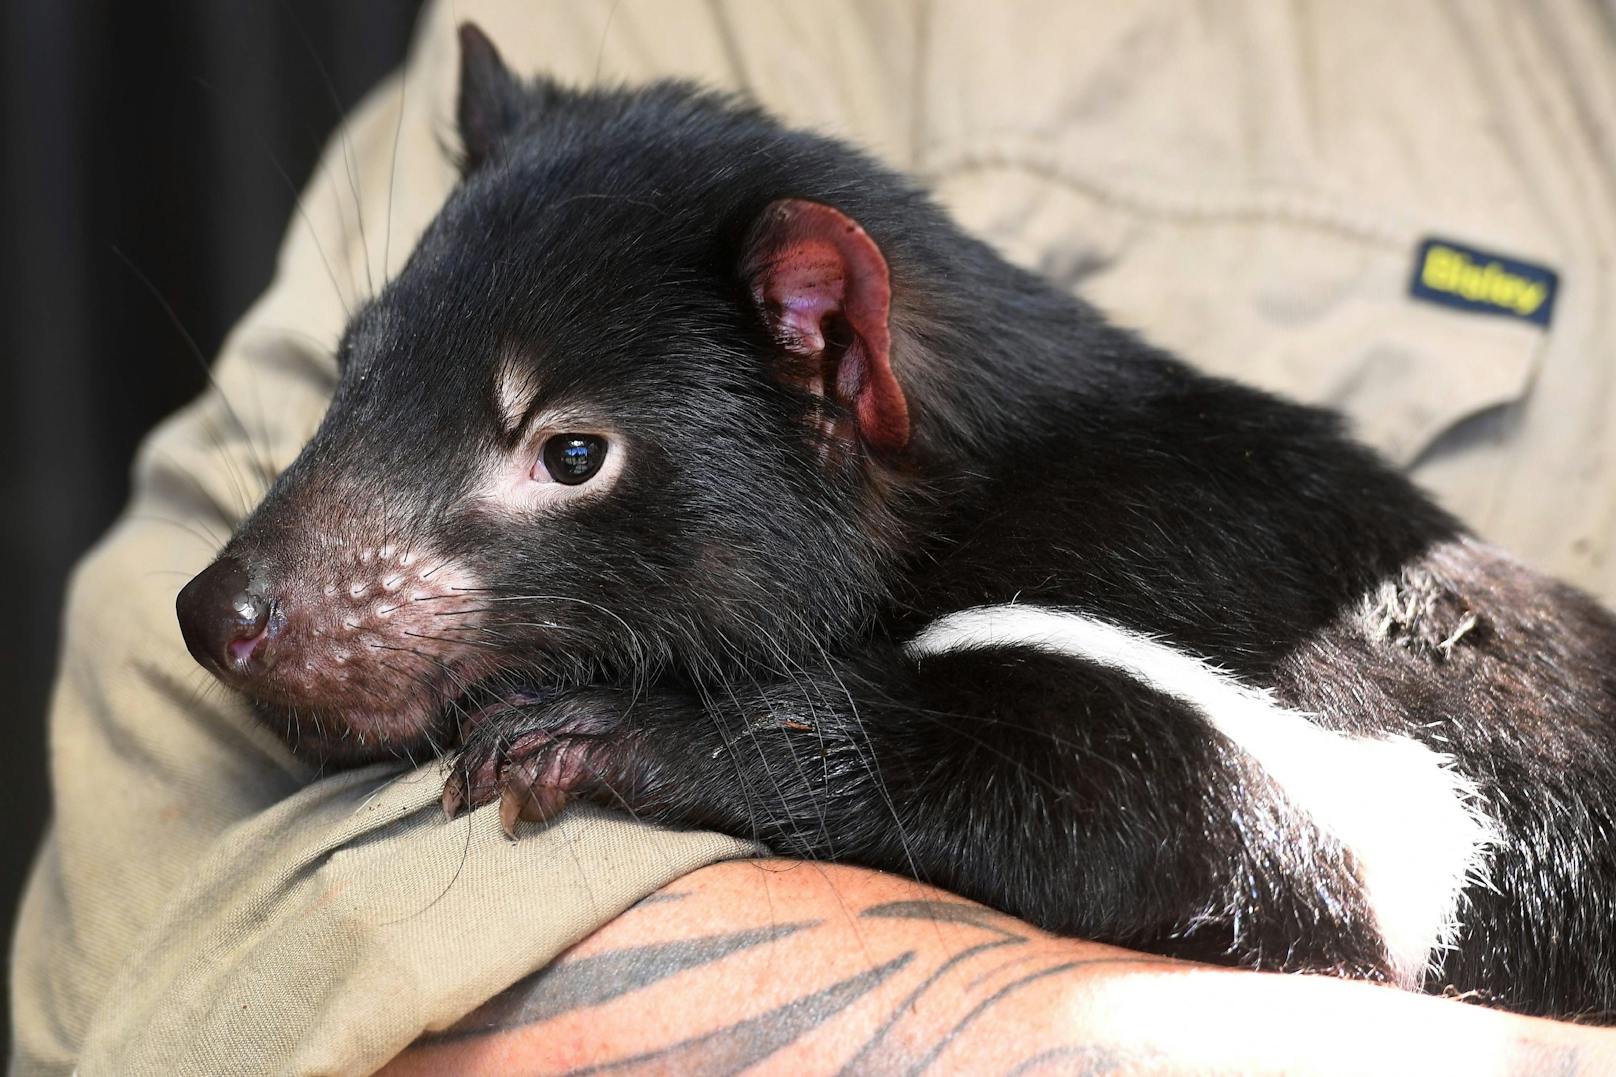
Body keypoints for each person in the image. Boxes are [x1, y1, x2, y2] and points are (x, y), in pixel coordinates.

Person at [12, 1, 1616, 1072]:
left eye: (565, 453)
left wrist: (714, 750)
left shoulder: (1155, 524)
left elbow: (1141, 810)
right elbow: (166, 867)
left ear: (831, 356)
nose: (268, 588)